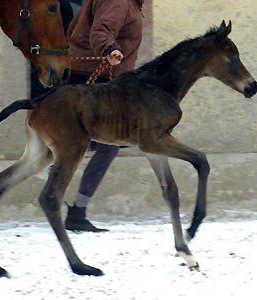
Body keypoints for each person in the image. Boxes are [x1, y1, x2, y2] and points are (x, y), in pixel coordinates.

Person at [64, 0, 144, 232]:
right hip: (98, 78)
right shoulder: (119, 1)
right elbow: (101, 30)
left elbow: (74, 29)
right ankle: (77, 212)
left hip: (89, 76)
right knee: (109, 145)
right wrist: (109, 49)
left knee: (100, 142)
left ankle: (75, 208)